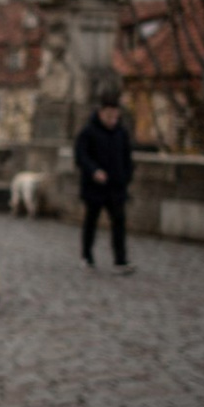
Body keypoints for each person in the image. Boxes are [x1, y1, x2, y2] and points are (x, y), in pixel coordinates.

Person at [74, 93, 135, 274]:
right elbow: (81, 157)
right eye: (109, 115)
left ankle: (120, 260)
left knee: (119, 222)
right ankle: (87, 256)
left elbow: (127, 158)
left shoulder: (121, 133)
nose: (112, 119)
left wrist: (126, 177)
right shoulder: (88, 131)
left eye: (115, 115)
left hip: (116, 187)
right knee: (91, 221)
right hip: (94, 187)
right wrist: (94, 171)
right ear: (101, 113)